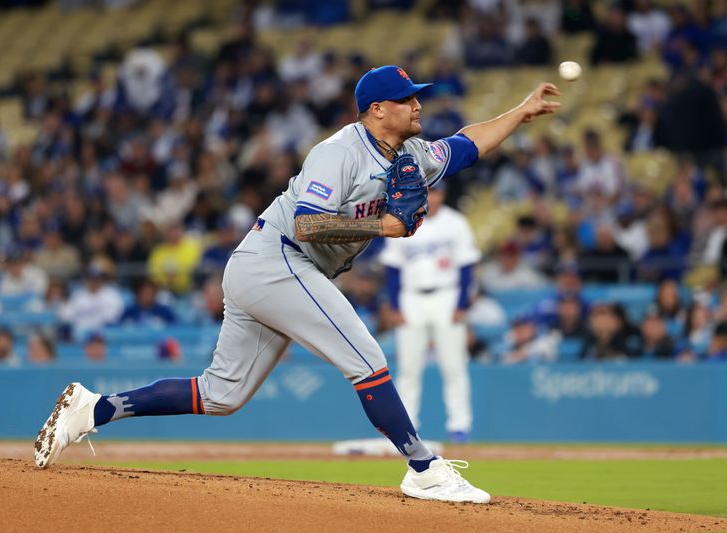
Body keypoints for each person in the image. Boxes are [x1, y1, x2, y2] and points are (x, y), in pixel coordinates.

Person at [34, 65, 560, 503]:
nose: (417, 105)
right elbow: (308, 224)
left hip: (274, 270)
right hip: (278, 259)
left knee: (223, 394)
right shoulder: (340, 151)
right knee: (366, 355)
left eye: (417, 97)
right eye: (406, 99)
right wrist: (384, 225)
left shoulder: (414, 157)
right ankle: (423, 468)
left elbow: (468, 145)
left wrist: (521, 111)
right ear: (377, 109)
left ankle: (93, 408)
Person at [379, 181, 481, 444]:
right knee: (409, 368)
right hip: (411, 297)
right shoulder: (404, 219)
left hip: (446, 295)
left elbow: (466, 266)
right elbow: (393, 269)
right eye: (429, 191)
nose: (433, 197)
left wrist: (461, 304)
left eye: (437, 192)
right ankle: (407, 427)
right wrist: (396, 305)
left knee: (454, 366)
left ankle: (460, 426)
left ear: (443, 194)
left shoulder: (455, 223)